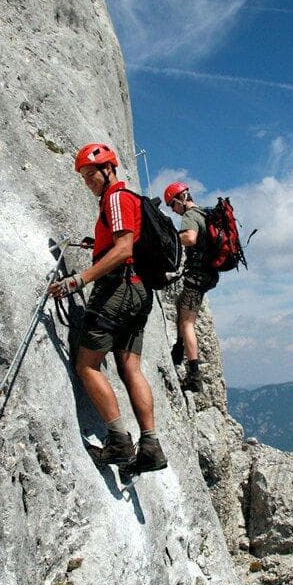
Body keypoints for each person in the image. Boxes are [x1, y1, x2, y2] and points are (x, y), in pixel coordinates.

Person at [50, 143, 167, 472]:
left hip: (117, 289)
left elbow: (123, 248)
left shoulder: (115, 197)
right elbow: (123, 242)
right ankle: (150, 446)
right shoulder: (126, 200)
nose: (88, 182)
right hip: (139, 291)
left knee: (87, 365)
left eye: (91, 175)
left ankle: (118, 442)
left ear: (109, 169)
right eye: (84, 177)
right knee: (131, 368)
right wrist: (98, 244)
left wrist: (78, 280)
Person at [164, 182, 219, 393]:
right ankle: (179, 349)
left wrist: (170, 238)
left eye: (172, 204)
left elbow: (189, 237)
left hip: (197, 277)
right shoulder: (204, 213)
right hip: (208, 275)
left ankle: (194, 376)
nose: (172, 210)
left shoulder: (190, 215)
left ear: (181, 199)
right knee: (181, 304)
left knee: (187, 322)